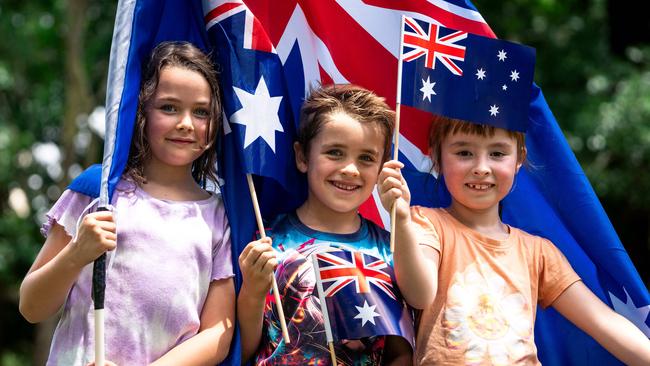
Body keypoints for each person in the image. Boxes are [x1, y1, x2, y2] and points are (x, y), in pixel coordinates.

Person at [18, 41, 235, 365]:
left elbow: (218, 331)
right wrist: (78, 252)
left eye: (201, 112)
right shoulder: (98, 190)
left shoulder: (219, 218)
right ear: (140, 112)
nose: (186, 123)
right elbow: (32, 307)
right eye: (169, 107)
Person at [378, 113, 650, 365]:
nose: (481, 167)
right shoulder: (425, 223)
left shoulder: (538, 252)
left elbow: (602, 322)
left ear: (519, 158)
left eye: (497, 153)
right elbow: (419, 295)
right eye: (464, 152)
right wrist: (401, 219)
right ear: (437, 157)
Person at [237, 84, 413, 365]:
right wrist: (252, 291)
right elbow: (243, 350)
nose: (350, 169)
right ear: (302, 156)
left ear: (382, 167)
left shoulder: (392, 249)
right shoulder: (265, 240)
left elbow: (401, 350)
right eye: (335, 152)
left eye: (366, 158)